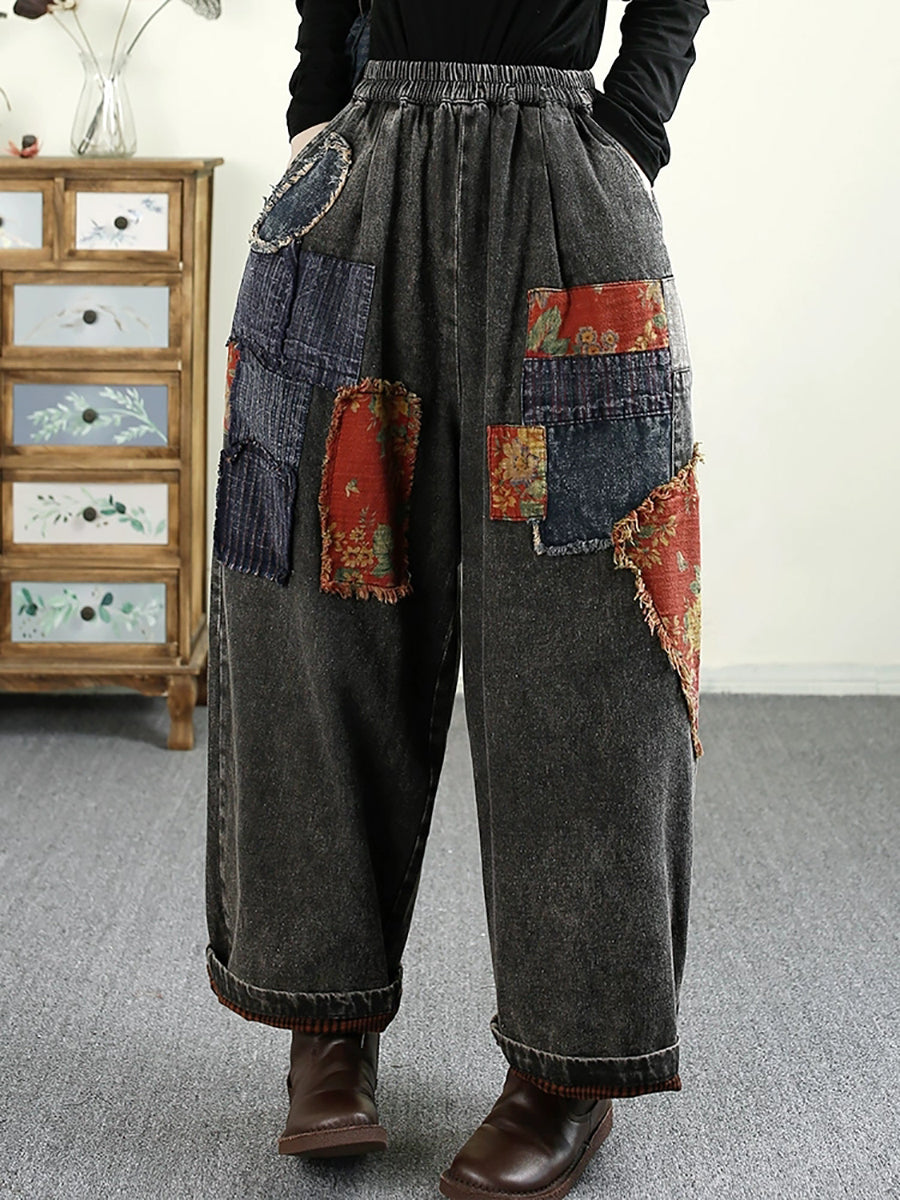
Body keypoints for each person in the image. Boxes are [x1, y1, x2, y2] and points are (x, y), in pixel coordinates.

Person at [205, 2, 710, 1197]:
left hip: (562, 173)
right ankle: (324, 1024)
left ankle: (569, 1068)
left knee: (586, 644)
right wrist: (315, 115)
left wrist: (632, 125)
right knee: (312, 611)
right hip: (359, 170)